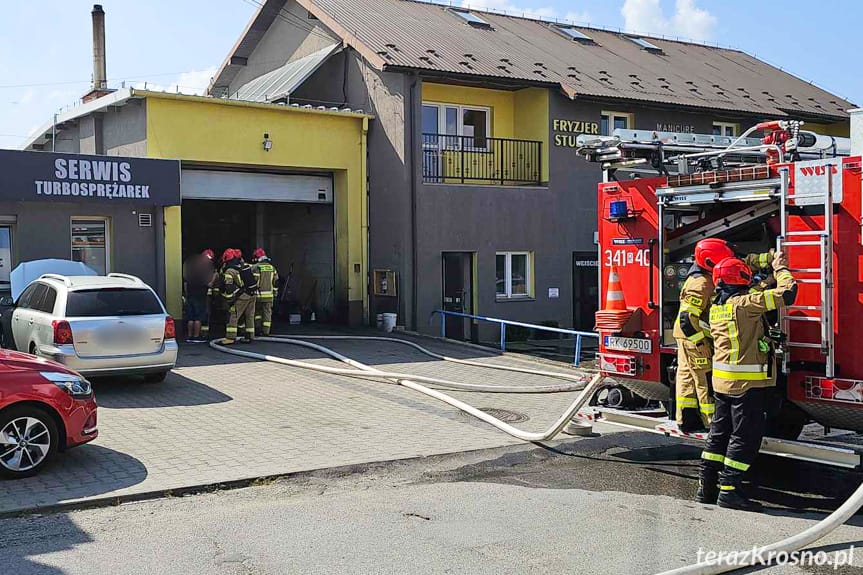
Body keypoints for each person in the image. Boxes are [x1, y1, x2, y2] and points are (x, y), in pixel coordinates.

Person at [697, 251, 797, 511]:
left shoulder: (718, 306)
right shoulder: (745, 304)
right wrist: (781, 269)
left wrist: (764, 282)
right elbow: (788, 294)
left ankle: (706, 488)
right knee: (744, 437)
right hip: (746, 385)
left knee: (718, 435)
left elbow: (753, 296)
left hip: (722, 383)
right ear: (741, 277)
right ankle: (729, 492)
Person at [673, 238, 774, 432]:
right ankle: (712, 423)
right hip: (693, 337)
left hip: (690, 336)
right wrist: (700, 343)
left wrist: (769, 258)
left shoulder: (712, 271)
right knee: (705, 380)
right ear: (711, 262)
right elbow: (687, 320)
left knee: (687, 376)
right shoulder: (700, 284)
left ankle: (686, 419)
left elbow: (742, 262)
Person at [219, 248, 258, 345]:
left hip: (242, 296)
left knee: (233, 315)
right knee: (250, 315)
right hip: (253, 293)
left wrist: (229, 300)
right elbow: (255, 276)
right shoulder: (245, 265)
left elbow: (228, 286)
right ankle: (250, 336)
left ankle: (230, 338)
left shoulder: (229, 271)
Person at [182, 249, 216, 343]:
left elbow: (185, 282)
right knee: (198, 317)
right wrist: (214, 276)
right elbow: (209, 284)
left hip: (190, 294)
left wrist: (186, 293)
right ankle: (196, 337)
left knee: (190, 317)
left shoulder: (192, 266)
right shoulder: (206, 269)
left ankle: (189, 336)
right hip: (200, 295)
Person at [251, 248, 279, 336]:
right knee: (267, 313)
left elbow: (254, 281)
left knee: (257, 313)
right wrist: (275, 292)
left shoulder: (256, 267)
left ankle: (258, 328)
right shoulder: (272, 268)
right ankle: (266, 331)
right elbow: (276, 282)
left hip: (258, 295)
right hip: (269, 296)